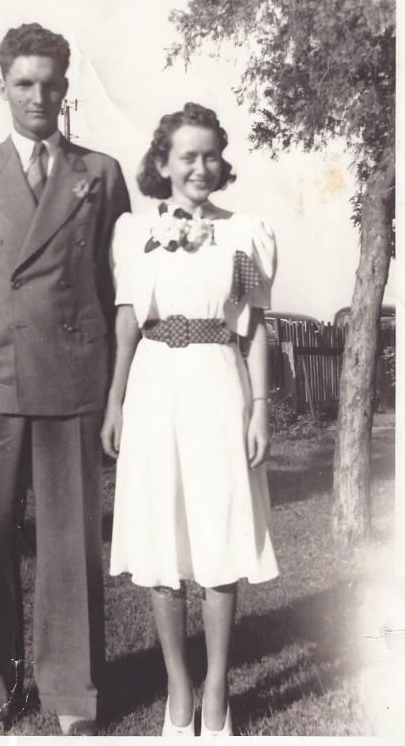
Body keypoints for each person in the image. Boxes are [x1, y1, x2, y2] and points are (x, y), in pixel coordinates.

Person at [0, 23, 130, 736]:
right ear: (3, 88)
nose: (38, 96)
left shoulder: (100, 173)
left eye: (51, 82)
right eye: (24, 82)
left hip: (73, 372)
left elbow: (116, 284)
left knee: (71, 541)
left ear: (65, 86)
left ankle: (71, 696)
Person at [101, 102, 278, 736]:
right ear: (162, 164)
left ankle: (218, 686)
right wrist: (116, 399)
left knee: (218, 530)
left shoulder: (245, 233)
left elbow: (255, 326)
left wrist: (259, 408)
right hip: (153, 387)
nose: (201, 167)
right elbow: (126, 322)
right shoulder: (134, 230)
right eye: (187, 156)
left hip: (217, 384)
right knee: (162, 537)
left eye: (210, 156)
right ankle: (179, 686)